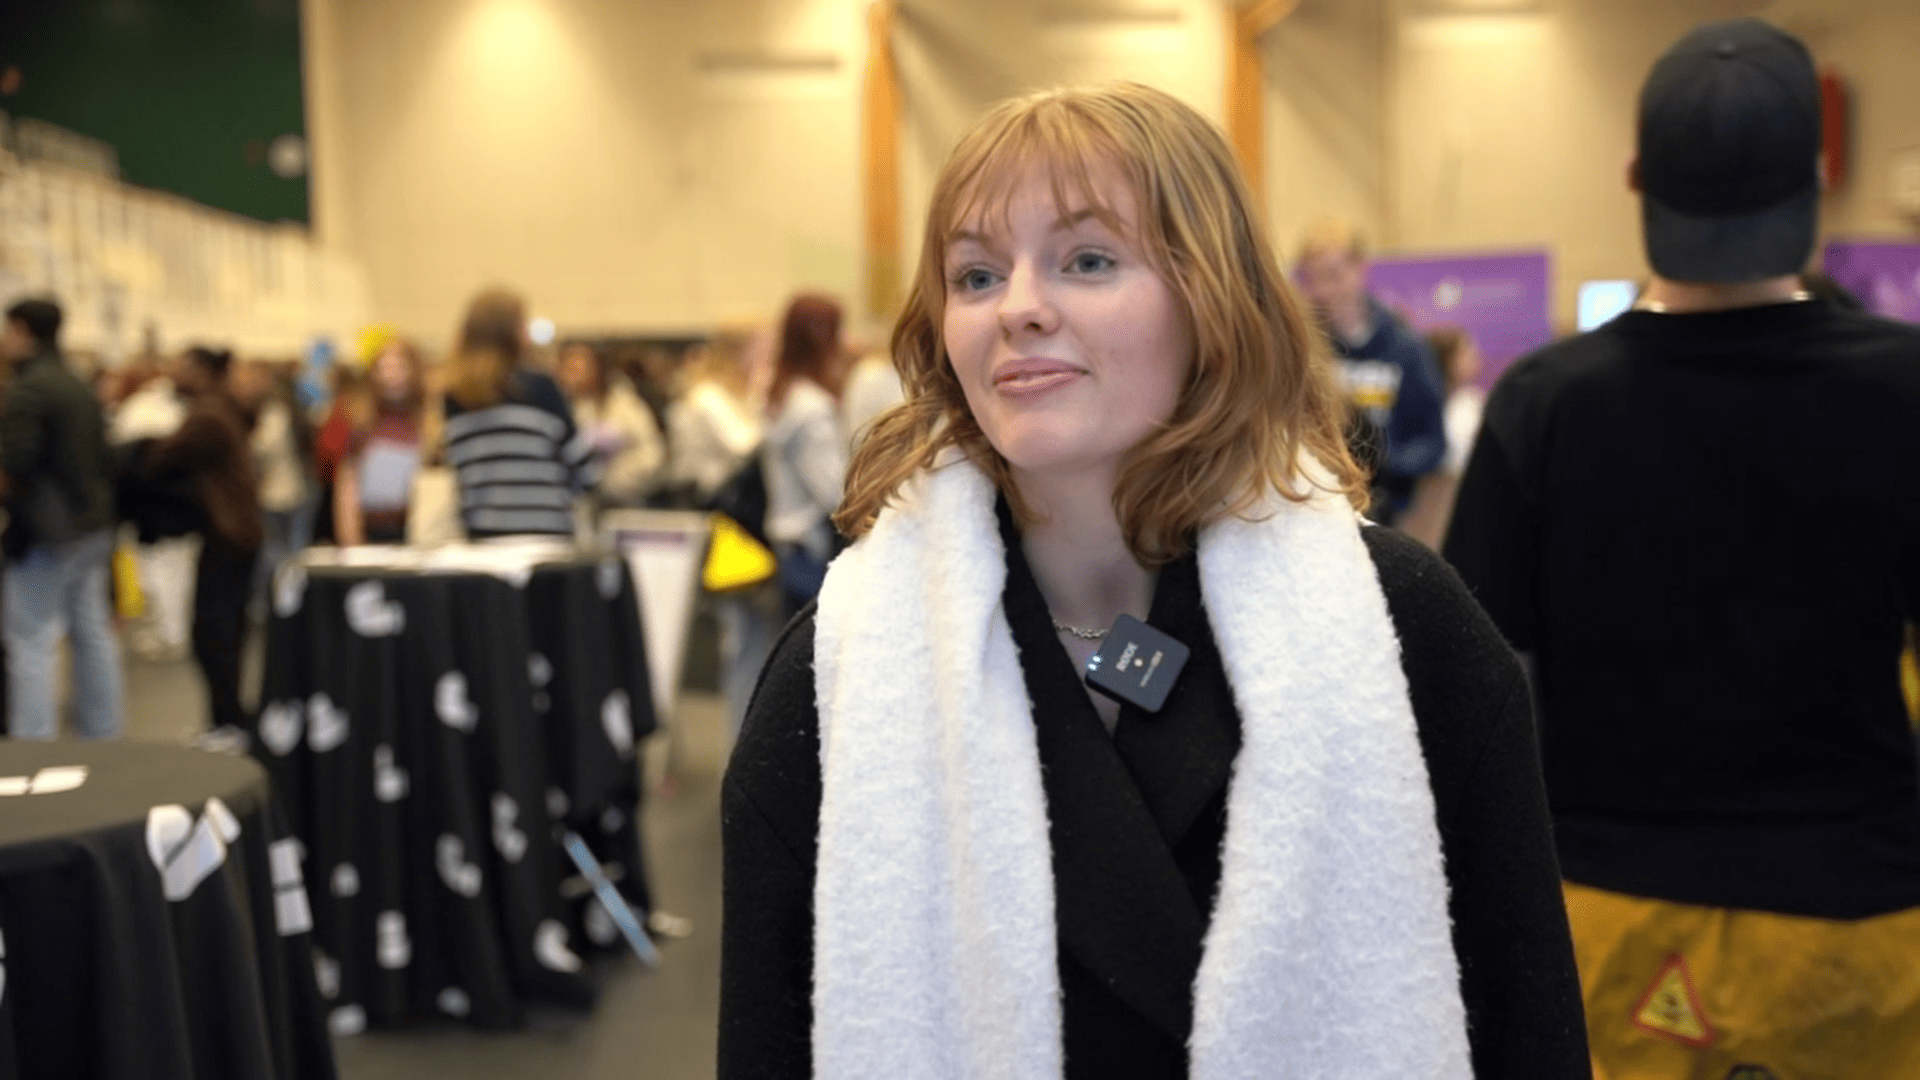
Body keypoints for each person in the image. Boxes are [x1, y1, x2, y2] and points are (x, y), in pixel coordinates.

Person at [720, 83, 1587, 1079]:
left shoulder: (1409, 635)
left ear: (1209, 295)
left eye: (1088, 259)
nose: (1021, 308)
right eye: (975, 273)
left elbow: (1528, 1036)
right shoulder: (842, 672)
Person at [1443, 19, 1920, 1077]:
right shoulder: (1906, 388)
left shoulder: (1545, 404)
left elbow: (1477, 688)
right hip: (1862, 919)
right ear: (1817, 173)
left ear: (1632, 177)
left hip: (1607, 919)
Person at [0, 297, 124, 740]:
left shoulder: (30, 387)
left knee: (31, 642)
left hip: (48, 534)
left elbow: (16, 461)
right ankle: (104, 734)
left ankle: (33, 745)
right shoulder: (76, 383)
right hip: (90, 526)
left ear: (22, 331)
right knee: (91, 633)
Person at [1293, 219, 1447, 526]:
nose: (1323, 291)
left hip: (1383, 514)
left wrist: (1384, 468)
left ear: (1359, 269)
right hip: (1311, 509)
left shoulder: (1405, 347)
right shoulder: (1299, 349)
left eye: (1333, 275)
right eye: (1312, 280)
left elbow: (1433, 441)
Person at [147, 346, 262, 734]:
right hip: (235, 534)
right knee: (223, 635)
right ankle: (227, 721)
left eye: (181, 367)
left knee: (214, 636)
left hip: (227, 536)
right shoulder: (221, 409)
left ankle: (227, 724)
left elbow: (161, 459)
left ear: (201, 370)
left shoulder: (208, 416)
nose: (174, 375)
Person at [441, 289, 596, 539]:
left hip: (483, 536)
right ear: (511, 333)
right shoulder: (540, 389)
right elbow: (582, 469)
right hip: (545, 536)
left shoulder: (454, 396)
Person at [760, 293, 849, 617]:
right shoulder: (811, 406)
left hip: (788, 548)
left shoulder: (780, 394)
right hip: (810, 552)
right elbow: (836, 494)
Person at [334, 338, 430, 545]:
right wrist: (351, 544)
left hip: (418, 531)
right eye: (384, 367)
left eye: (399, 366)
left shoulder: (431, 423)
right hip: (372, 530)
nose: (391, 374)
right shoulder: (360, 421)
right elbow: (347, 487)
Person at [236, 360, 317, 598]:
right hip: (292, 490)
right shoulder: (293, 409)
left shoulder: (275, 412)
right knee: (289, 552)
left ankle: (280, 604)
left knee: (278, 555)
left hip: (279, 493)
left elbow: (263, 448)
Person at [557, 340, 666, 509]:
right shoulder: (567, 407)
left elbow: (653, 451)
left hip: (626, 495)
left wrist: (619, 478)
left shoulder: (625, 402)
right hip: (581, 499)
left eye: (578, 370)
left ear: (597, 369)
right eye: (568, 370)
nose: (573, 377)